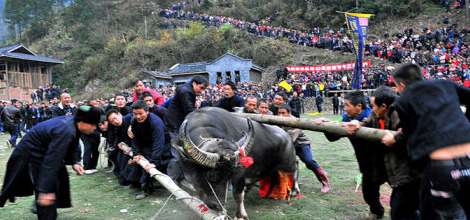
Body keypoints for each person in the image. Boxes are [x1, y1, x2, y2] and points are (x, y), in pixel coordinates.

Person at [384, 63, 470, 219]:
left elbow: (409, 137)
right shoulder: (444, 83)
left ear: (402, 85)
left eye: (396, 87)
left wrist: (394, 138)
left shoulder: (403, 100)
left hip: (441, 163)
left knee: (437, 213)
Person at [0, 105, 101, 220]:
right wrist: (45, 190)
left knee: (60, 178)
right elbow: (51, 162)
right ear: (82, 123)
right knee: (48, 190)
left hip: (43, 151)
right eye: (93, 124)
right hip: (31, 153)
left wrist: (73, 162)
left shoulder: (74, 123)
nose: (94, 128)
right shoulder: (65, 130)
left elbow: (72, 144)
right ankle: (44, 209)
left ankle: (43, 205)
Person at [346, 86, 421, 220]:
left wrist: (396, 139)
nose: (372, 109)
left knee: (402, 206)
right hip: (381, 162)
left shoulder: (401, 112)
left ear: (384, 106)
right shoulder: (375, 114)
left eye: (374, 106)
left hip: (403, 166)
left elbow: (411, 133)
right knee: (369, 191)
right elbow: (367, 122)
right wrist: (358, 124)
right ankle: (377, 210)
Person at [316, 90, 385, 219]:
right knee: (369, 193)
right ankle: (377, 211)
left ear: (359, 106)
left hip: (385, 160)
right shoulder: (346, 118)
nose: (345, 108)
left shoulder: (373, 115)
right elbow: (334, 137)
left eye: (347, 105)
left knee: (401, 188)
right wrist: (326, 126)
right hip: (366, 163)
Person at [278, 104, 331, 193]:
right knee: (285, 163)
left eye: (283, 113)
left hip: (301, 144)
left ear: (289, 113)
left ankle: (325, 182)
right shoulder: (277, 120)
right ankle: (288, 185)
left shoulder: (296, 122)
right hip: (289, 145)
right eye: (279, 113)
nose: (281, 116)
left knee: (309, 161)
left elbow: (290, 139)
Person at [165, 75, 207, 182]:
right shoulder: (185, 91)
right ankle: (171, 180)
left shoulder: (186, 88)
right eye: (201, 88)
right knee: (177, 153)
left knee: (183, 152)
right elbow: (189, 111)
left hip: (178, 123)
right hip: (175, 124)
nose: (202, 91)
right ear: (194, 84)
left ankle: (179, 176)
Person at [131, 100, 172, 199]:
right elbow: (135, 139)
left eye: (141, 113)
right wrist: (136, 154)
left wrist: (154, 161)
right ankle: (139, 183)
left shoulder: (155, 122)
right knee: (137, 161)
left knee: (149, 162)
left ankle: (145, 188)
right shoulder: (133, 121)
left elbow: (159, 142)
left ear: (147, 111)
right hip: (147, 144)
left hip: (163, 145)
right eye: (135, 114)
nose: (138, 117)